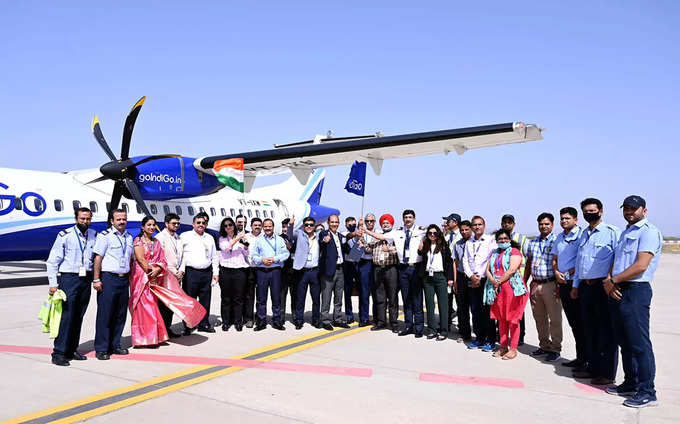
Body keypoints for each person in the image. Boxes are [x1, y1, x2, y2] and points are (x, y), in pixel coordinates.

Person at [605, 195, 662, 408]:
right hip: (618, 289)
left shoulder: (648, 232)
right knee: (625, 342)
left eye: (634, 209)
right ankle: (630, 382)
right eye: (626, 208)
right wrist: (610, 283)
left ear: (644, 211)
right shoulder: (626, 232)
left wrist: (613, 281)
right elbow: (617, 261)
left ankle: (647, 391)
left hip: (636, 291)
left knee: (639, 344)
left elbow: (641, 265)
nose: (629, 212)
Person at [572, 197, 620, 385]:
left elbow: (618, 259)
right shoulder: (584, 234)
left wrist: (611, 281)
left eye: (592, 210)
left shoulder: (612, 233)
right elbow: (579, 261)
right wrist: (576, 285)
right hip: (585, 287)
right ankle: (592, 367)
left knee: (605, 331)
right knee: (589, 329)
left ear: (601, 211)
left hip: (603, 287)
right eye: (585, 211)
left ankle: (607, 373)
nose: (589, 213)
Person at [45, 207, 97, 366]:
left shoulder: (94, 235)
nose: (85, 222)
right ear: (76, 219)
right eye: (82, 219)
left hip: (85, 279)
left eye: (88, 219)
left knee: (78, 316)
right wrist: (53, 284)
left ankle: (72, 350)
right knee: (66, 317)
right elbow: (52, 261)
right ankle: (59, 353)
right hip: (69, 279)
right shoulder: (65, 235)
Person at [363, 209, 426, 337]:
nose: (408, 219)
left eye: (410, 217)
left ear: (414, 219)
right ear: (403, 219)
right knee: (403, 298)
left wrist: (423, 243)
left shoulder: (421, 231)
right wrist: (365, 231)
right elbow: (378, 239)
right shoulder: (397, 232)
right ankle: (405, 325)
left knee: (412, 299)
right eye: (405, 217)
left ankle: (414, 327)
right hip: (394, 269)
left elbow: (434, 234)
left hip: (410, 268)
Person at [92, 208, 134, 360]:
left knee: (120, 314)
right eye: (118, 219)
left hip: (124, 279)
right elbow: (98, 258)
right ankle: (102, 348)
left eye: (124, 219)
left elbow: (130, 259)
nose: (122, 222)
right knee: (105, 314)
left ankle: (115, 344)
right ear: (112, 221)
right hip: (109, 278)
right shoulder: (105, 236)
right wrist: (96, 279)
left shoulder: (129, 237)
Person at [524, 213, 562, 362]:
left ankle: (556, 348)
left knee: (555, 319)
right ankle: (544, 345)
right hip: (535, 283)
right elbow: (529, 263)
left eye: (547, 224)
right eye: (541, 224)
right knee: (539, 318)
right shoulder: (532, 242)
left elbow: (559, 261)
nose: (543, 226)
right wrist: (525, 281)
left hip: (551, 284)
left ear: (552, 225)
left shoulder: (557, 241)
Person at [486, 229, 528, 359]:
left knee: (513, 320)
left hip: (511, 289)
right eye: (500, 239)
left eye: (505, 238)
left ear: (509, 239)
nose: (503, 241)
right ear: (496, 241)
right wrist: (493, 280)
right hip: (497, 289)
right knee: (501, 319)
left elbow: (512, 270)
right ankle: (503, 346)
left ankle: (513, 348)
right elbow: (487, 270)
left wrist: (498, 281)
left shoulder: (514, 251)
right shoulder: (494, 253)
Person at [552, 207, 585, 368]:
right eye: (562, 218)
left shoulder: (582, 236)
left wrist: (567, 272)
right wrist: (557, 272)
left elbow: (581, 260)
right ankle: (580, 358)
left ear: (575, 220)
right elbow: (555, 258)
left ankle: (586, 359)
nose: (564, 221)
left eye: (567, 218)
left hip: (576, 283)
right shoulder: (559, 238)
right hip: (563, 283)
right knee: (573, 322)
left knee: (582, 323)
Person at [129, 216, 169, 348]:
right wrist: (151, 272)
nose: (151, 227)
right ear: (142, 227)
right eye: (149, 225)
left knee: (153, 305)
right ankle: (144, 339)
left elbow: (163, 259)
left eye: (153, 225)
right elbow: (140, 259)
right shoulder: (138, 241)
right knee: (143, 307)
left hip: (154, 277)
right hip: (141, 277)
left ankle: (154, 336)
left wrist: (158, 270)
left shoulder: (156, 242)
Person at [179, 213, 219, 334]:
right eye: (198, 223)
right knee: (189, 300)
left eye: (203, 223)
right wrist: (181, 270)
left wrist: (215, 272)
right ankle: (188, 325)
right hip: (191, 272)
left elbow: (214, 256)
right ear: (193, 224)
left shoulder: (209, 237)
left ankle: (204, 323)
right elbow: (181, 255)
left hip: (206, 272)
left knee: (205, 299)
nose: (201, 225)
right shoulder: (185, 236)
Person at [463, 216, 498, 352]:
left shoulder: (491, 241)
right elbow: (465, 260)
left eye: (479, 224)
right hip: (472, 280)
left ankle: (490, 340)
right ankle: (479, 338)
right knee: (475, 311)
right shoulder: (469, 242)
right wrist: (471, 276)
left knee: (487, 312)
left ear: (484, 225)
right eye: (474, 225)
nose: (477, 227)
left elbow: (492, 259)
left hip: (485, 280)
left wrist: (481, 276)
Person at [250, 218, 290, 330]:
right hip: (262, 271)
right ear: (263, 227)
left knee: (276, 298)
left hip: (275, 271)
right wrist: (262, 260)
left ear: (273, 227)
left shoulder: (280, 240)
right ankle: (261, 321)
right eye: (266, 226)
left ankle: (277, 321)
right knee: (261, 298)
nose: (268, 228)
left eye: (270, 226)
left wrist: (274, 259)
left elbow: (285, 254)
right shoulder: (259, 240)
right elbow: (254, 255)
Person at [418, 225, 454, 341]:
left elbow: (448, 263)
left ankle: (443, 330)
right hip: (428, 277)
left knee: (443, 305)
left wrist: (450, 278)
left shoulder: (443, 246)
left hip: (441, 277)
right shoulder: (426, 245)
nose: (432, 235)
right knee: (429, 305)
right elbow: (422, 258)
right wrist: (420, 249)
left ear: (438, 234)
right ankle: (432, 330)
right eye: (430, 233)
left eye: (434, 233)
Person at [366, 214, 400, 332]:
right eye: (383, 223)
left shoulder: (395, 236)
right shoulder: (377, 237)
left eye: (387, 223)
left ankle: (394, 323)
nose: (385, 225)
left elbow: (399, 252)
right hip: (378, 269)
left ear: (392, 224)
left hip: (390, 269)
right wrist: (362, 242)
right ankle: (381, 322)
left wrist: (390, 249)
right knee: (380, 297)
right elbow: (368, 248)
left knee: (392, 297)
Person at [287, 216, 321, 329]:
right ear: (303, 225)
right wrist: (290, 225)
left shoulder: (318, 236)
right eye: (306, 224)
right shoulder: (299, 234)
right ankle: (299, 320)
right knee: (300, 298)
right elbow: (289, 236)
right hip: (302, 271)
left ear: (314, 225)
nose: (309, 227)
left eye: (311, 224)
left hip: (315, 271)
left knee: (316, 298)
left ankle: (316, 320)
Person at [217, 217, 250, 332]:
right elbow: (226, 248)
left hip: (239, 270)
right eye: (225, 226)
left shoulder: (240, 237)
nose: (228, 227)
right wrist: (237, 238)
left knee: (238, 298)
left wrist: (245, 245)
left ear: (234, 225)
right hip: (226, 270)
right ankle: (226, 321)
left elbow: (246, 253)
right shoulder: (222, 239)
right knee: (226, 298)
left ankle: (238, 321)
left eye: (230, 225)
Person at [501, 214, 529, 345]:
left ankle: (519, 336)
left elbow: (528, 260)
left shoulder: (522, 239)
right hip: (503, 281)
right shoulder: (500, 239)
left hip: (517, 281)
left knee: (517, 311)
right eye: (504, 222)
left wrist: (525, 278)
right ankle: (503, 335)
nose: (507, 224)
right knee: (503, 309)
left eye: (509, 222)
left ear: (514, 224)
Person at [319, 214, 350, 331]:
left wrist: (358, 243)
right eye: (332, 222)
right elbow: (321, 241)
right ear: (328, 223)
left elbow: (347, 249)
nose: (334, 224)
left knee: (339, 296)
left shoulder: (341, 236)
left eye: (336, 222)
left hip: (341, 269)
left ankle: (337, 319)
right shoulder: (324, 234)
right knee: (326, 296)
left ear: (339, 223)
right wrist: (324, 241)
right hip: (329, 271)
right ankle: (325, 320)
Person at [155, 213, 184, 338]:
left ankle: (168, 327)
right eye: (174, 223)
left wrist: (181, 270)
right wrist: (173, 271)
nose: (176, 225)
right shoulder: (160, 238)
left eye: (178, 223)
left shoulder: (179, 238)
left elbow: (183, 256)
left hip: (177, 275)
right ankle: (161, 330)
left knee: (172, 305)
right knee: (163, 304)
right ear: (166, 224)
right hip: (165, 274)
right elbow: (161, 258)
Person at [453, 220, 473, 343]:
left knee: (477, 307)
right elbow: (455, 263)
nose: (464, 232)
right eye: (462, 230)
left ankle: (481, 333)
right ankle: (464, 333)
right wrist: (455, 280)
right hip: (461, 277)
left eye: (466, 229)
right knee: (462, 307)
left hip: (474, 277)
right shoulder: (458, 244)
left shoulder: (476, 242)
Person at [356, 213, 377, 327]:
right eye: (367, 221)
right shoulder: (360, 233)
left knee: (377, 293)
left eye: (371, 221)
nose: (369, 223)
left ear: (375, 222)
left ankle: (377, 317)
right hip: (364, 264)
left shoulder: (378, 233)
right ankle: (363, 318)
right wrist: (359, 244)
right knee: (364, 293)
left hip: (376, 264)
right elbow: (354, 253)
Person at [442, 213, 462, 329]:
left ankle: (462, 324)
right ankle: (447, 321)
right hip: (446, 270)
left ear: (455, 222)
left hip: (457, 271)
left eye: (448, 221)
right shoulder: (447, 236)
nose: (446, 223)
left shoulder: (461, 236)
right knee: (446, 299)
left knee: (460, 300)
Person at [243, 216, 262, 328]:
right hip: (249, 269)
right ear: (251, 226)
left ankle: (260, 317)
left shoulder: (264, 238)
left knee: (261, 295)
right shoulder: (246, 237)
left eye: (259, 225)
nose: (257, 227)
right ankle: (249, 318)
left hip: (261, 269)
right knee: (249, 295)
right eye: (255, 225)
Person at [341, 216, 360, 325]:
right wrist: (354, 234)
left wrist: (360, 232)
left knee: (361, 290)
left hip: (358, 264)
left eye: (354, 224)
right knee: (347, 291)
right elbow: (347, 237)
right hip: (347, 265)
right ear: (346, 225)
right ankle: (349, 314)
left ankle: (362, 314)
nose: (352, 226)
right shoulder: (343, 234)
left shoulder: (360, 234)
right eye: (349, 224)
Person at [279, 218, 297, 324]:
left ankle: (295, 316)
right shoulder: (279, 238)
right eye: (284, 227)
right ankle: (281, 317)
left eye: (287, 227)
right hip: (283, 271)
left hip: (294, 270)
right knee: (282, 295)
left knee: (294, 295)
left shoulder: (295, 238)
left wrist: (291, 248)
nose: (285, 229)